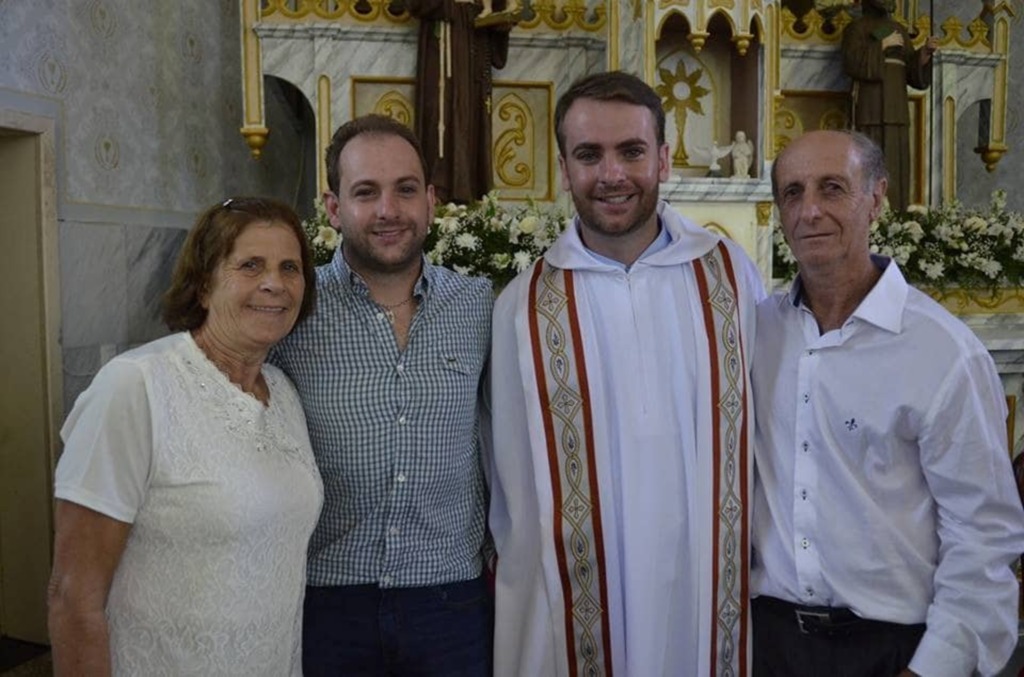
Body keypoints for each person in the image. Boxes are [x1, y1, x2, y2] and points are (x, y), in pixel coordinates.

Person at [487, 71, 766, 676]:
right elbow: (508, 484)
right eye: (589, 155)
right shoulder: (523, 306)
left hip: (703, 595)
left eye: (631, 151)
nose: (611, 174)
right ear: (563, 167)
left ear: (663, 159)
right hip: (579, 604)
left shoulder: (729, 277)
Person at [753, 129, 1024, 677]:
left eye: (833, 189)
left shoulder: (943, 353)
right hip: (769, 643)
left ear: (877, 198)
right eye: (792, 192)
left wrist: (934, 668)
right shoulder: (755, 335)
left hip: (890, 649)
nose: (810, 211)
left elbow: (983, 533)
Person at [47, 197, 323, 676]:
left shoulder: (282, 392)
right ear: (202, 285)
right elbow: (73, 596)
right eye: (250, 265)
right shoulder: (136, 387)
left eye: (290, 267)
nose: (274, 283)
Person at [270, 114, 494, 675]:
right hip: (326, 601)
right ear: (333, 207)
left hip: (452, 600)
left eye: (406, 189)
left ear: (431, 200)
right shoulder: (292, 310)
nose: (389, 210)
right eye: (366, 192)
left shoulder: (480, 306)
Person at [407, 0, 514, 204]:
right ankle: (439, 189)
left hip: (474, 43)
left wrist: (498, 18)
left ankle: (471, 189)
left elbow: (500, 15)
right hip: (442, 47)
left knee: (471, 120)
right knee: (440, 115)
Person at [841, 0, 938, 211]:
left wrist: (924, 54)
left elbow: (912, 72)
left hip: (896, 106)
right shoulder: (856, 28)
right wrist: (881, 45)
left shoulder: (898, 29)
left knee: (895, 160)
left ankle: (897, 213)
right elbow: (851, 62)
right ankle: (866, 213)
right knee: (868, 159)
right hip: (870, 105)